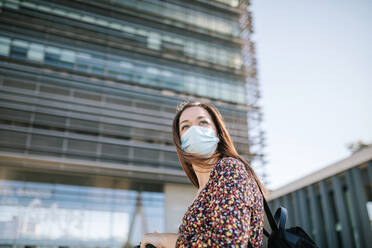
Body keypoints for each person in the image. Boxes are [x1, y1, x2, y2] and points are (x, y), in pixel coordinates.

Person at [140, 101, 266, 248]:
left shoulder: (229, 168)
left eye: (203, 122)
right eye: (186, 126)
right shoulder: (204, 189)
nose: (194, 130)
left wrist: (164, 240)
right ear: (179, 141)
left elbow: (229, 243)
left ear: (218, 132)